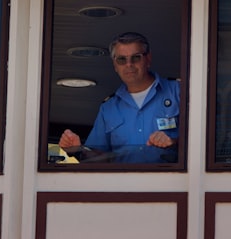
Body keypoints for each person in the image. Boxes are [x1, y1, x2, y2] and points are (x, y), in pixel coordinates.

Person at [59, 32, 180, 163]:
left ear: (148, 59)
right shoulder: (108, 108)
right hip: (122, 183)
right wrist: (78, 149)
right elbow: (98, 159)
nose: (129, 64)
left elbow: (203, 138)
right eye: (121, 59)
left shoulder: (179, 91)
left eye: (136, 58)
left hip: (170, 182)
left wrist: (174, 142)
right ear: (115, 65)